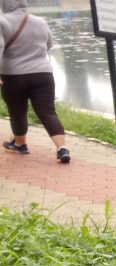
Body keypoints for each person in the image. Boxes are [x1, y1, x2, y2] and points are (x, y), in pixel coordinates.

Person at [0, 0, 70, 163]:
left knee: (17, 111)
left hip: (14, 75)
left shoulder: (2, 21)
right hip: (43, 73)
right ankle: (62, 148)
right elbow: (49, 45)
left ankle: (20, 144)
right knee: (47, 112)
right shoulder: (41, 21)